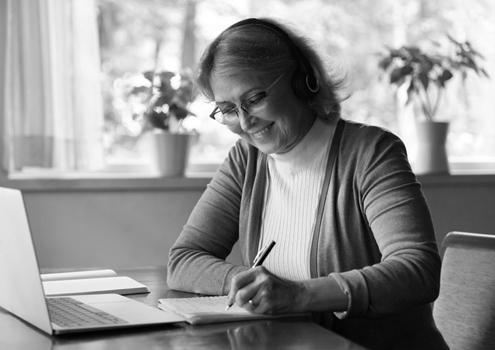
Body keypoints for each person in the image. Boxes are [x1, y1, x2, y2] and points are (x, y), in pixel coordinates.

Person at [167, 17, 449, 350]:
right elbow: (183, 260)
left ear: (304, 81)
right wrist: (249, 283)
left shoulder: (370, 152)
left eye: (255, 98)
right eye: (228, 109)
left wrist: (300, 295)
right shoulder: (246, 159)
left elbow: (418, 271)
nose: (244, 122)